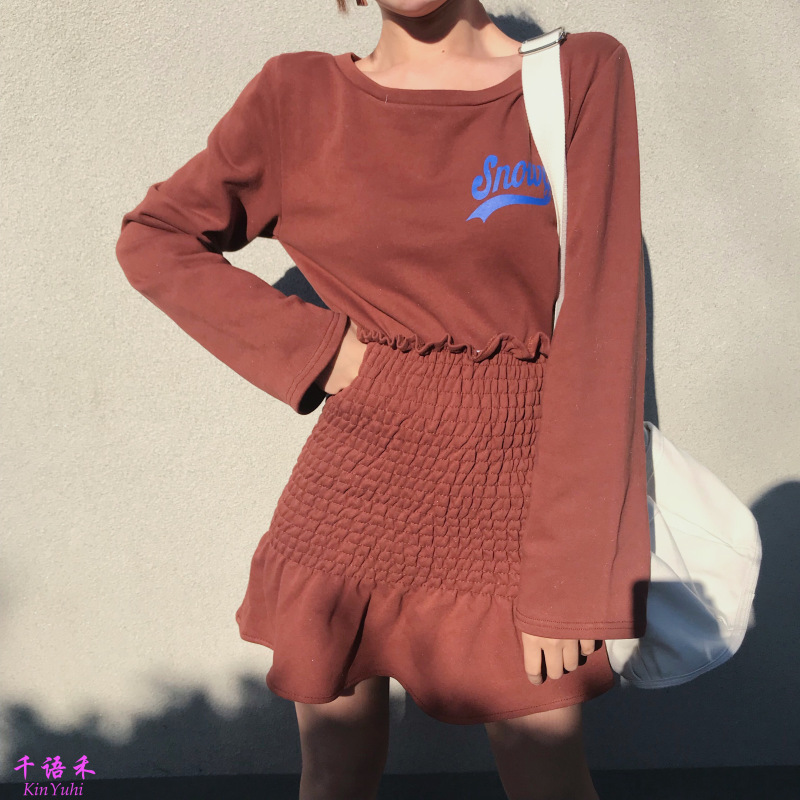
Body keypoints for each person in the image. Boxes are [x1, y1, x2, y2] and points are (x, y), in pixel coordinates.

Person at [115, 1, 651, 798]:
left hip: (520, 486)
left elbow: (604, 327)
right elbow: (155, 235)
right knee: (334, 773)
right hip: (354, 489)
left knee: (547, 770)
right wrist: (318, 350)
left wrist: (574, 576)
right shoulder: (297, 96)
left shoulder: (578, 75)